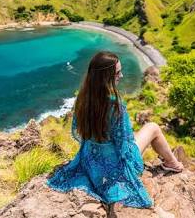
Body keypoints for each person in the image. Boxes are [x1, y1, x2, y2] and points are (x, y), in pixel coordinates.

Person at [46, 51, 183, 208]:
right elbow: (124, 145)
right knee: (153, 127)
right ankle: (173, 163)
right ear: (105, 76)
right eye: (118, 72)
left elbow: (78, 131)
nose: (122, 76)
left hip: (89, 159)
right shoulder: (115, 105)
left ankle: (172, 162)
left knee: (145, 131)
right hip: (112, 166)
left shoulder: (83, 97)